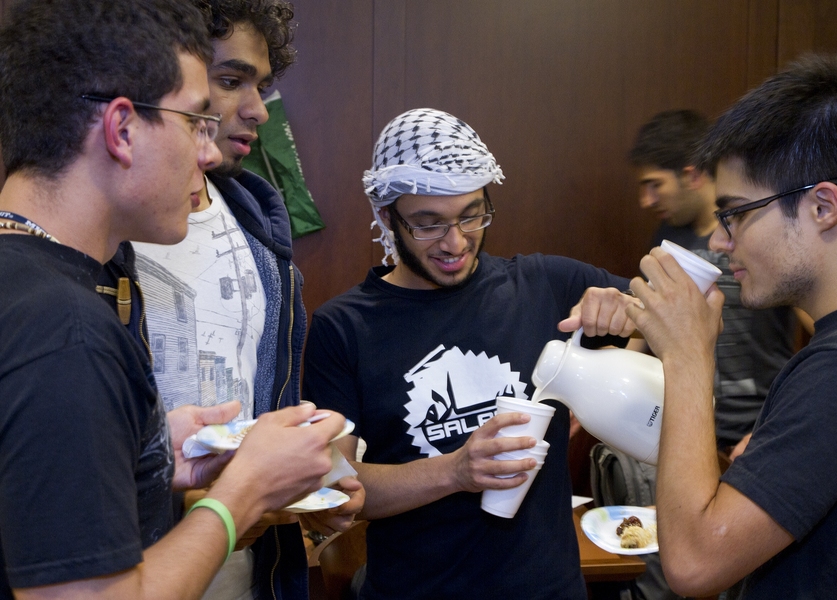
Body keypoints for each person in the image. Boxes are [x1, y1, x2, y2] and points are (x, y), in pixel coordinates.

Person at [0, 1, 346, 598]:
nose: (208, 154)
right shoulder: (66, 326)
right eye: (193, 121)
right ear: (122, 129)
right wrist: (243, 494)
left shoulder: (27, 287)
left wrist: (152, 459)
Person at [301, 107, 637, 600]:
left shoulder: (545, 285)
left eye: (471, 215)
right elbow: (338, 492)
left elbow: (701, 310)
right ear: (385, 216)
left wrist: (624, 325)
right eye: (428, 224)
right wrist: (456, 471)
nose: (456, 243)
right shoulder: (344, 326)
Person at [623, 55, 837, 598]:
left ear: (823, 206)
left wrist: (687, 357)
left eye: (738, 213)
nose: (723, 242)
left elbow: (693, 565)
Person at [126, 2, 363, 598]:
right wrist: (227, 498)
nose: (257, 109)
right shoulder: (103, 219)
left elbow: (258, 398)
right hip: (126, 568)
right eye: (231, 81)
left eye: (261, 84)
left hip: (250, 574)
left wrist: (318, 481)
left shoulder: (257, 216)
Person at [628, 109, 798, 453]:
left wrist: (777, 426)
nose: (646, 200)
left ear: (691, 176)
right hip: (693, 424)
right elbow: (649, 323)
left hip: (761, 430)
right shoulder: (668, 237)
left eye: (655, 184)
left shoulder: (761, 240)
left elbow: (828, 326)